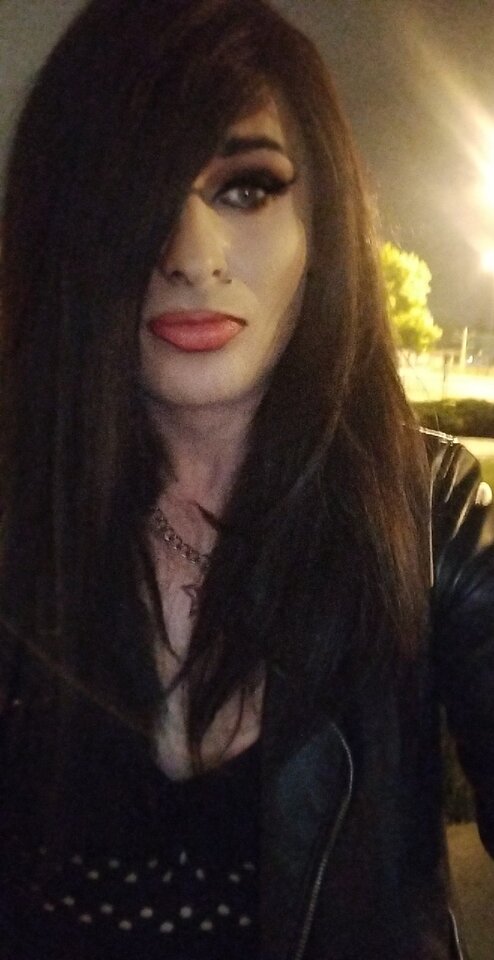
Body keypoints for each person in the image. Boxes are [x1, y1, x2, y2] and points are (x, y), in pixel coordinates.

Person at [0, 0, 493, 958]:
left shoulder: (429, 513)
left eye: (246, 188)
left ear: (322, 227)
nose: (190, 258)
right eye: (135, 192)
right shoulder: (20, 508)